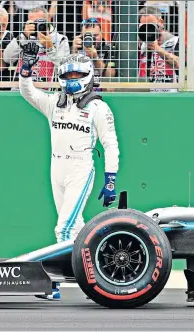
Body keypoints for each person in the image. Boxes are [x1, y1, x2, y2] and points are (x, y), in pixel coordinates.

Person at [18, 42, 120, 300]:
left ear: (88, 76)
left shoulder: (98, 108)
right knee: (78, 229)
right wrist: (26, 68)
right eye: (67, 75)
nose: (71, 80)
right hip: (57, 168)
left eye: (76, 75)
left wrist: (110, 179)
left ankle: (53, 284)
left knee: (63, 228)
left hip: (80, 168)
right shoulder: (54, 103)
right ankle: (98, 279)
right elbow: (28, 93)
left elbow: (111, 144)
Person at [3, 6, 69, 83]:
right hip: (21, 88)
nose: (36, 25)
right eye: (32, 22)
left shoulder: (60, 39)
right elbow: (6, 58)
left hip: (46, 89)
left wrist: (50, 47)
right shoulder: (23, 37)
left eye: (39, 21)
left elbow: (64, 68)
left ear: (49, 20)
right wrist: (23, 37)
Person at [138, 5, 180, 92]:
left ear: (160, 22)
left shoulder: (174, 41)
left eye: (151, 26)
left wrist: (158, 49)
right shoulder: (137, 43)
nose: (147, 30)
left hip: (169, 93)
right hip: (143, 92)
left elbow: (180, 64)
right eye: (143, 26)